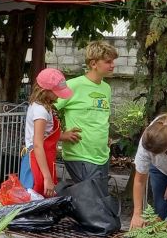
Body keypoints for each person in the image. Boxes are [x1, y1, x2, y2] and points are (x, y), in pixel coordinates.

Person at [55, 40, 118, 194]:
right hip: (80, 155)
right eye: (108, 61)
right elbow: (45, 110)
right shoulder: (73, 85)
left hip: (102, 155)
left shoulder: (106, 88)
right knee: (92, 201)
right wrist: (60, 135)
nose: (113, 65)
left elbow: (101, 118)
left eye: (113, 61)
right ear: (93, 63)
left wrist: (104, 137)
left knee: (97, 201)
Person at [21, 68, 74, 197]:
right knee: (34, 196)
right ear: (44, 91)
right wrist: (47, 177)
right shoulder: (41, 111)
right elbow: (38, 144)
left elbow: (46, 134)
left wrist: (64, 136)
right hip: (35, 160)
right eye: (56, 92)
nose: (59, 96)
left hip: (42, 158)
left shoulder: (43, 106)